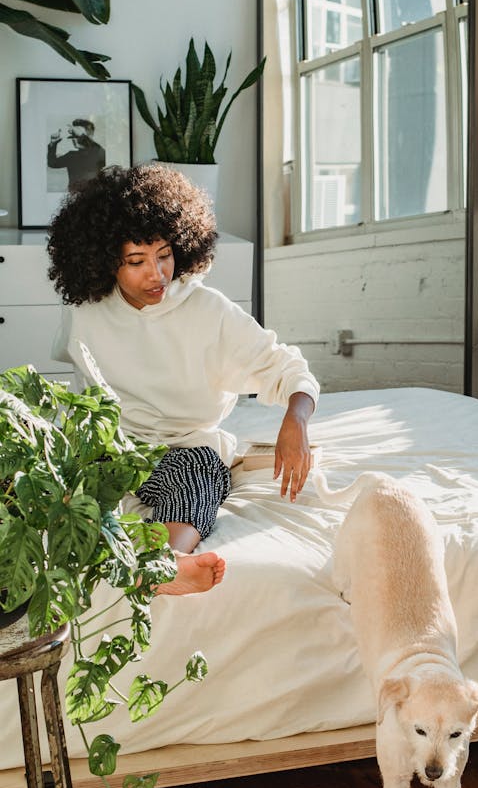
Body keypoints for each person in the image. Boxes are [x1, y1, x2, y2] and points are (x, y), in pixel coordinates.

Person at [46, 164, 319, 597]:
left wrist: (297, 421)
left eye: (165, 254)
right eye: (136, 261)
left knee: (198, 480)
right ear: (103, 262)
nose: (156, 274)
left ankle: (165, 565)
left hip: (184, 447)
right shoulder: (86, 309)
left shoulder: (208, 310)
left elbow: (289, 369)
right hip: (109, 450)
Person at [47, 118, 106, 188]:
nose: (74, 140)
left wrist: (82, 136)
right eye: (73, 137)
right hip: (75, 196)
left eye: (77, 136)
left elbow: (100, 153)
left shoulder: (98, 153)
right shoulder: (71, 155)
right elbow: (52, 163)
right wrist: (53, 144)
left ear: (89, 137)